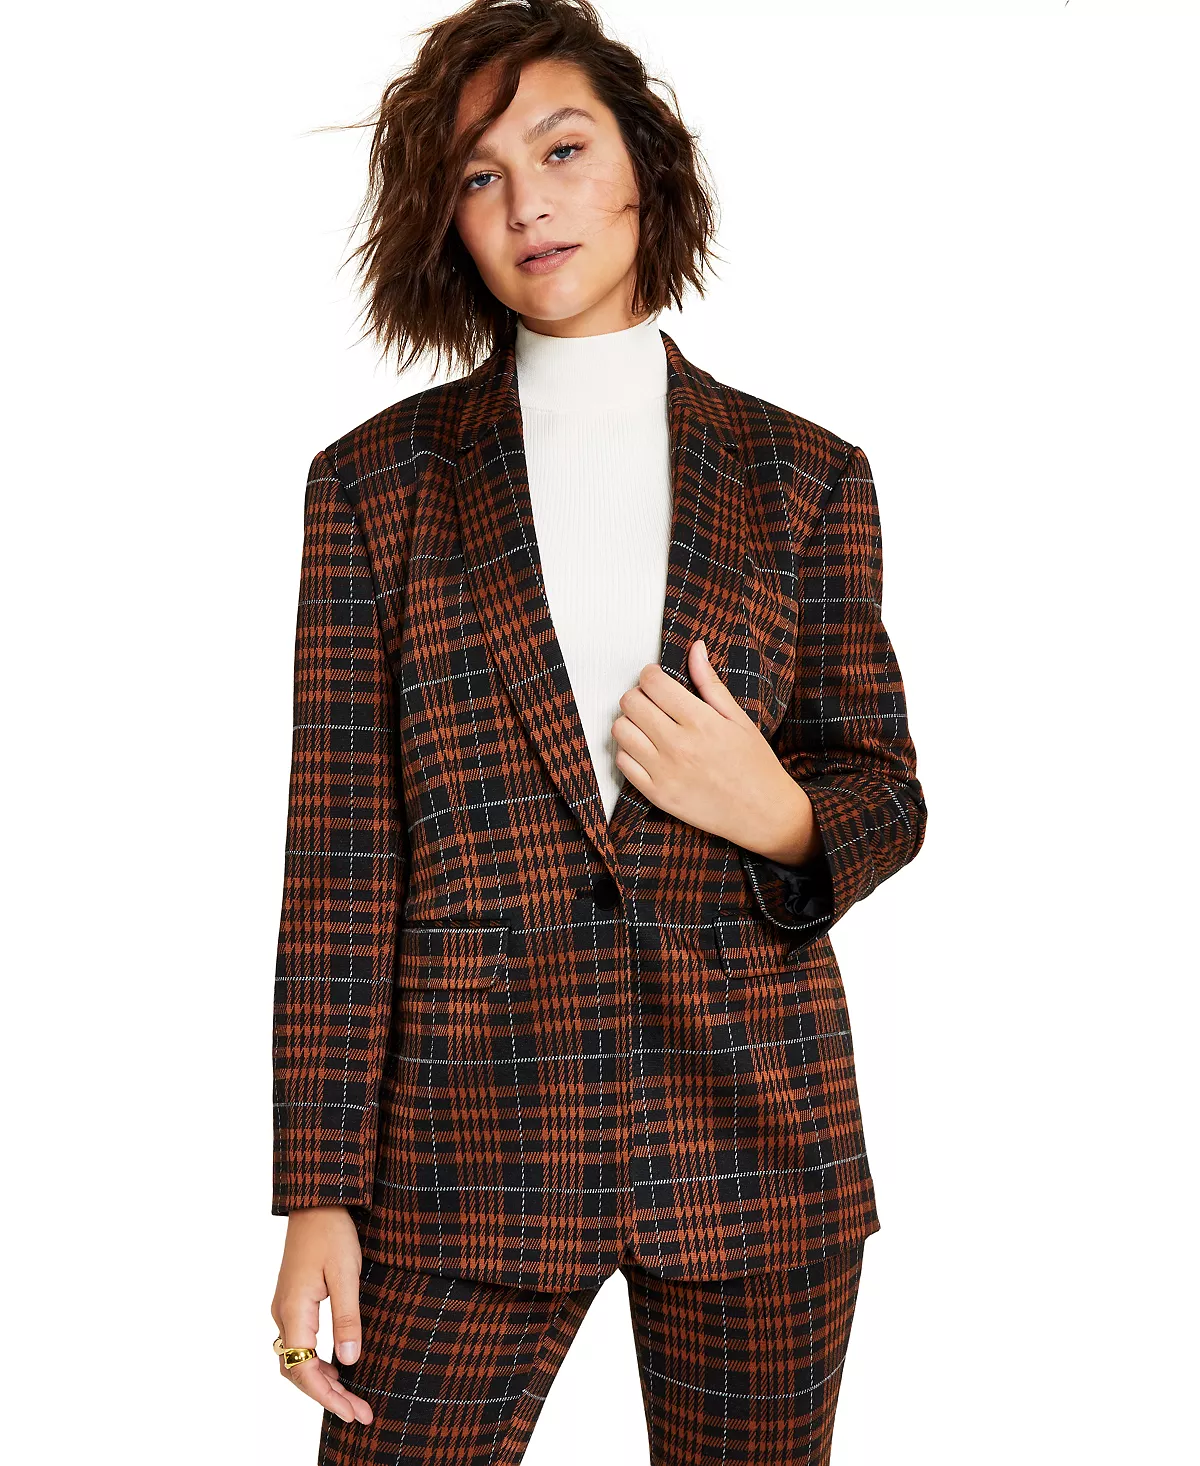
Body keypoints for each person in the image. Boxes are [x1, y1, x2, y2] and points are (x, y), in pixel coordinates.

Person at [269, 3, 928, 1462]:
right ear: (448, 223)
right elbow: (340, 863)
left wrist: (781, 815)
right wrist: (317, 1187)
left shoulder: (806, 475)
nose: (528, 202)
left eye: (562, 149)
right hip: (463, 1153)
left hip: (757, 1139)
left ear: (644, 167)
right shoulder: (372, 487)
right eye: (480, 175)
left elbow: (885, 784)